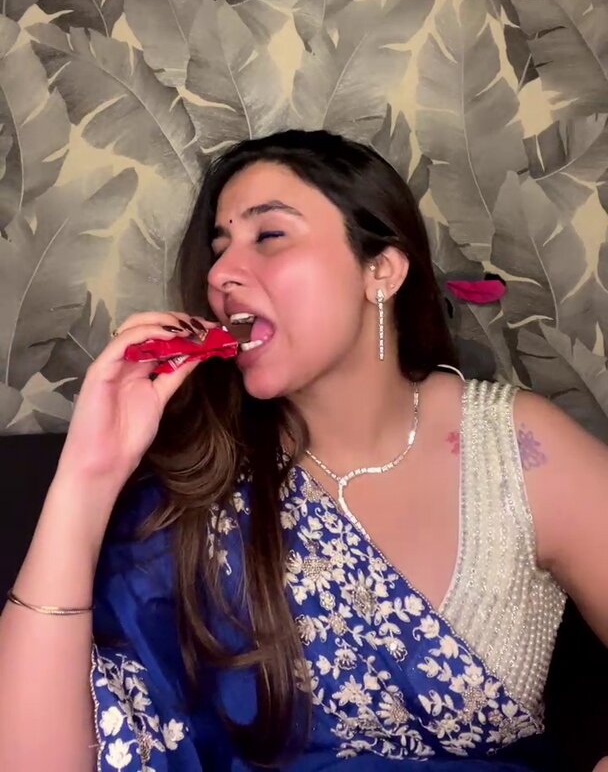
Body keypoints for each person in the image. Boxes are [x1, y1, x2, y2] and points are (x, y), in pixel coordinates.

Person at [0, 129, 607, 772]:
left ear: (381, 270)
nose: (221, 274)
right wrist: (87, 476)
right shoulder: (198, 486)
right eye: (219, 248)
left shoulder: (516, 450)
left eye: (269, 235)